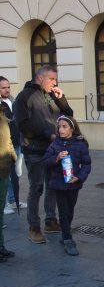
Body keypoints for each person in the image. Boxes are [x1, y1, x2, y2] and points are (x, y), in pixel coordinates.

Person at [14, 65, 73, 244]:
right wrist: (48, 134)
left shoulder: (52, 95)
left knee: (53, 185)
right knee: (37, 188)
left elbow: (68, 116)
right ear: (40, 78)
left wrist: (62, 100)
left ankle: (50, 220)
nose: (55, 83)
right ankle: (34, 227)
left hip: (53, 149)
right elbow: (22, 124)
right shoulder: (25, 96)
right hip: (34, 150)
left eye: (56, 80)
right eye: (51, 79)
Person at [42, 115, 91, 256]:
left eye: (64, 127)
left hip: (73, 184)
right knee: (63, 211)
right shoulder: (54, 145)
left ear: (72, 128)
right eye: (59, 127)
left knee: (70, 210)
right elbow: (45, 161)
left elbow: (86, 164)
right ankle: (68, 239)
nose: (61, 129)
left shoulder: (80, 145)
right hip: (58, 184)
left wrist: (79, 177)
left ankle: (65, 233)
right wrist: (56, 158)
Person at [0, 77, 23, 216]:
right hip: (4, 147)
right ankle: (4, 204)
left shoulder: (13, 101)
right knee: (5, 176)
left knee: (16, 175)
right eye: (3, 88)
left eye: (8, 87)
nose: (7, 90)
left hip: (17, 143)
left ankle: (13, 199)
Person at [0, 109, 16, 261]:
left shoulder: (2, 112)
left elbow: (7, 137)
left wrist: (12, 154)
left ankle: (1, 245)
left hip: (4, 168)